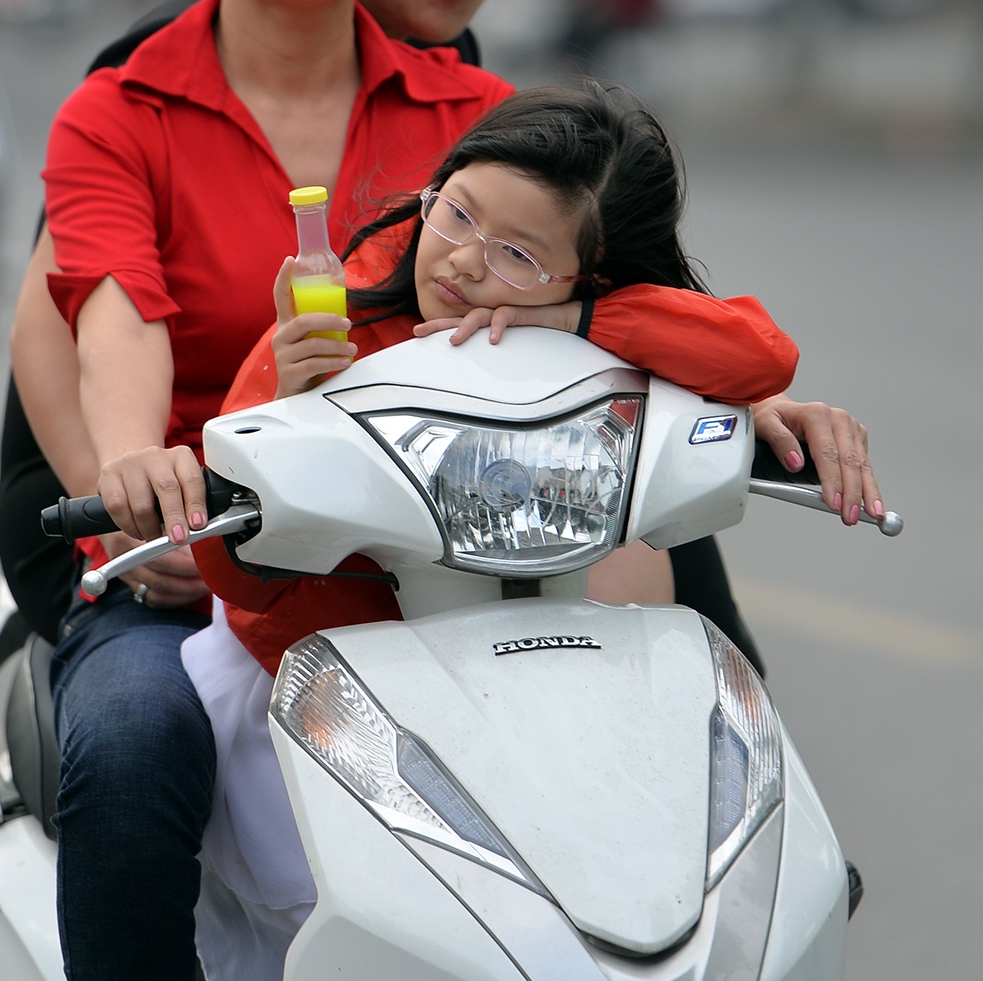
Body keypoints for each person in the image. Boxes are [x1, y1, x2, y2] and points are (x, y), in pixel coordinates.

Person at [175, 83, 852, 974]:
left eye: (518, 254)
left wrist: (571, 318)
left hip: (518, 663)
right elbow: (237, 571)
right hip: (332, 669)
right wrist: (293, 419)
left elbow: (758, 355)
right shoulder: (342, 315)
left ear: (589, 277)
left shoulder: (571, 329)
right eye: (456, 211)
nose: (459, 262)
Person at [0, 0, 534, 644]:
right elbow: (90, 313)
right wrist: (131, 484)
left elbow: (602, 295)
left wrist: (741, 402)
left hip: (411, 553)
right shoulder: (127, 95)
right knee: (139, 732)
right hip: (163, 527)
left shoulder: (484, 110)